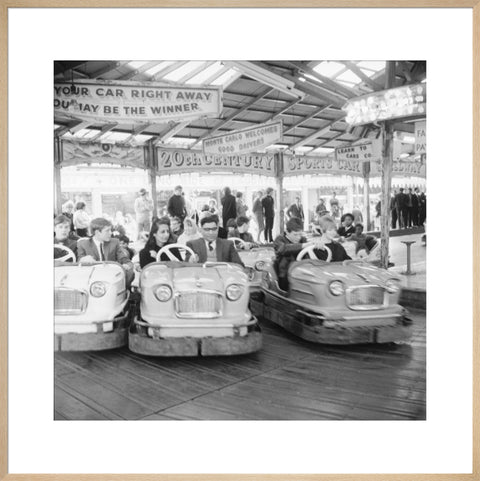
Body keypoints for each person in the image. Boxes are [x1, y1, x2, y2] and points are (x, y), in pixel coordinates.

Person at [273, 217, 325, 291]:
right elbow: (283, 249)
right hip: (285, 272)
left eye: (300, 234)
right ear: (287, 232)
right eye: (295, 234)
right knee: (284, 260)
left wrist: (318, 245)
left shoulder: (303, 239)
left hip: (301, 270)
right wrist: (303, 245)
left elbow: (310, 249)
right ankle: (285, 290)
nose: (298, 237)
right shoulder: (279, 239)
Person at [77, 218, 134, 286]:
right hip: (92, 279)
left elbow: (125, 260)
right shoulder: (83, 244)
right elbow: (79, 263)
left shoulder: (114, 242)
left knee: (131, 273)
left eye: (110, 230)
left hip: (111, 278)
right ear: (97, 232)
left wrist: (127, 265)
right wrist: (83, 260)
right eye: (107, 231)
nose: (111, 233)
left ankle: (122, 292)